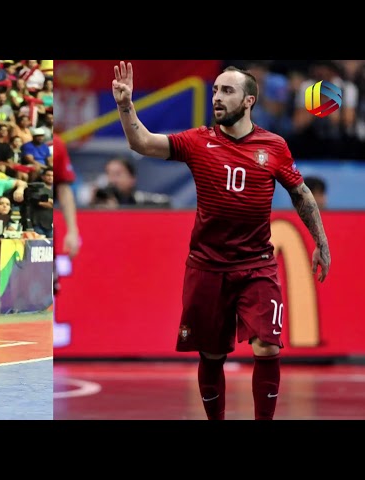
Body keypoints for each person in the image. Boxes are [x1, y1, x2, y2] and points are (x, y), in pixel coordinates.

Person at [112, 61, 331, 420]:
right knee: (212, 355)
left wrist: (321, 243)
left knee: (268, 346)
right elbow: (143, 144)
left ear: (248, 101)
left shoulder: (274, 146)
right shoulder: (198, 141)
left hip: (257, 265)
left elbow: (301, 194)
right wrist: (125, 105)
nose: (217, 97)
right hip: (207, 266)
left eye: (226, 91)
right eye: (214, 90)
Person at [52, 133, 80, 347]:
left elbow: (63, 188)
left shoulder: (58, 144)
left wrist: (72, 230)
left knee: (50, 287)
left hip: (47, 229)